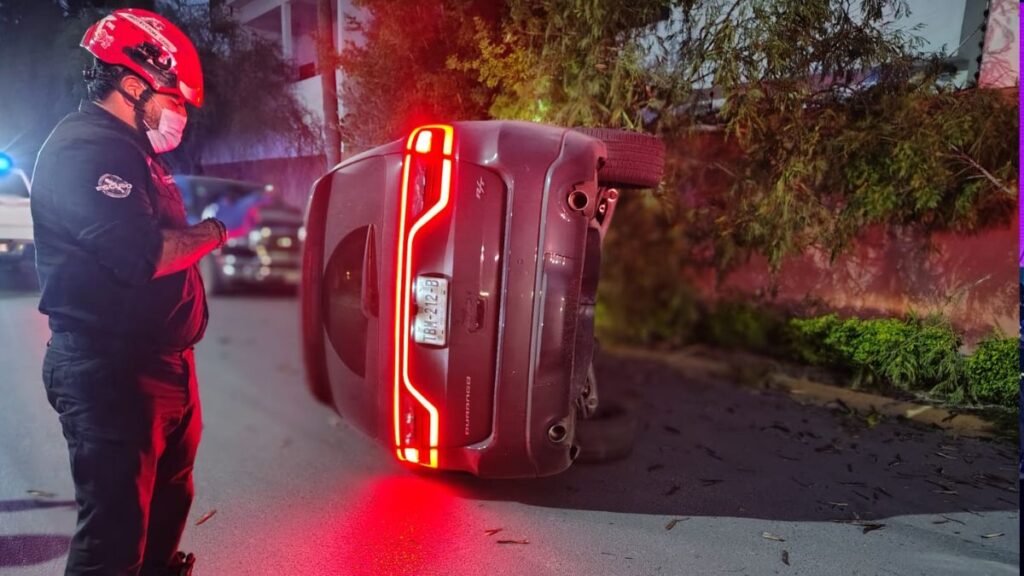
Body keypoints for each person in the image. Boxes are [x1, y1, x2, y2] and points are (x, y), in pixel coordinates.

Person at [31, 9, 226, 576]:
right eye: (174, 99)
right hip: (111, 374)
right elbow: (144, 254)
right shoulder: (85, 150)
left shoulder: (132, 151)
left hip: (160, 370)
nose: (179, 115)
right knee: (113, 544)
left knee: (165, 518)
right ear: (134, 85)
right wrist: (212, 233)